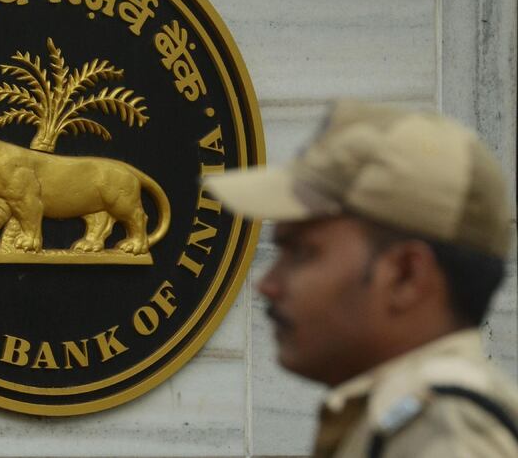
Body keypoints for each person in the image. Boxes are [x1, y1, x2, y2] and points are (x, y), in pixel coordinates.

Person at [204, 100, 518, 457]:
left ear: (405, 275)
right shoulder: (400, 424)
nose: (267, 285)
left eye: (303, 253)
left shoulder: (445, 436)